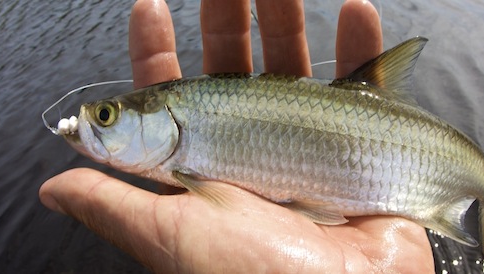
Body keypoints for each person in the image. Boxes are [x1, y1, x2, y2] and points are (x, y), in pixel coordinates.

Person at [39, 0, 434, 272]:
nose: (99, 122)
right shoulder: (180, 154)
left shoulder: (182, 162)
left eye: (106, 117)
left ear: (165, 118)